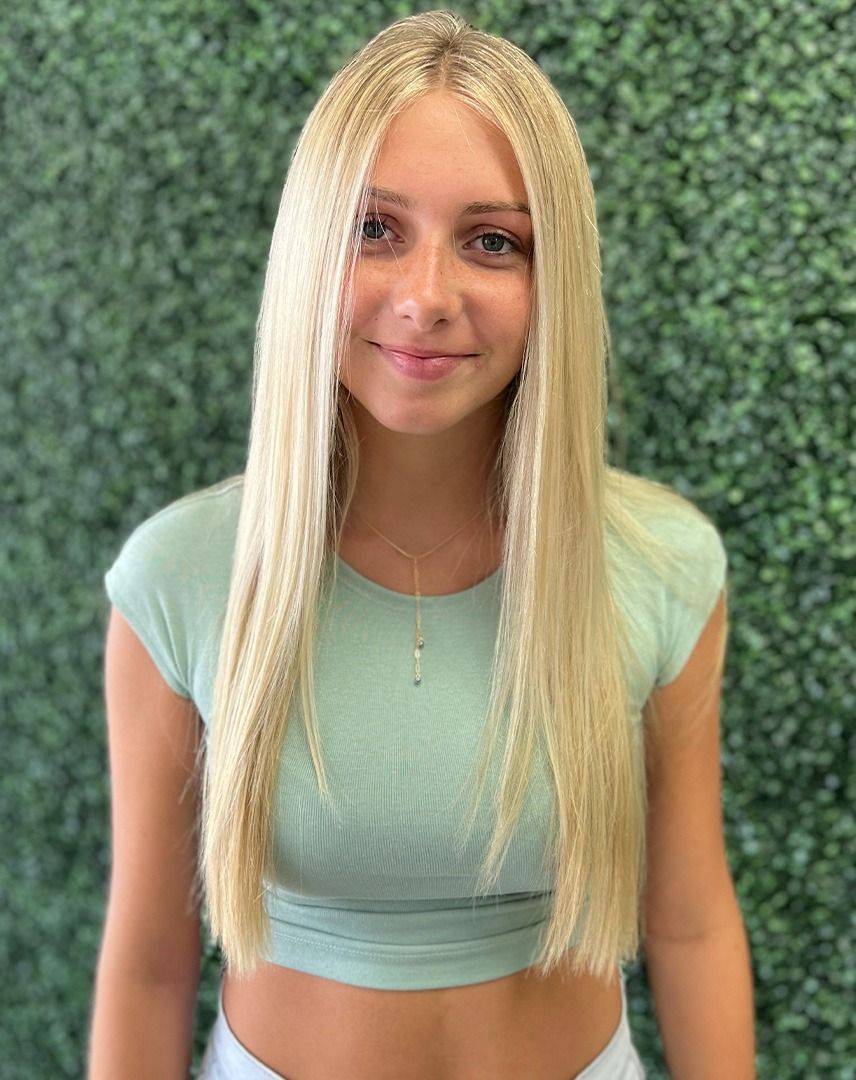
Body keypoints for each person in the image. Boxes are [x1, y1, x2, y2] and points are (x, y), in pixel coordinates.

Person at [88, 9, 756, 1079]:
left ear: (552, 285)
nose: (426, 298)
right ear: (312, 249)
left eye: (492, 241)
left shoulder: (661, 567)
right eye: (375, 228)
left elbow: (687, 922)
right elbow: (150, 964)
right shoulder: (179, 579)